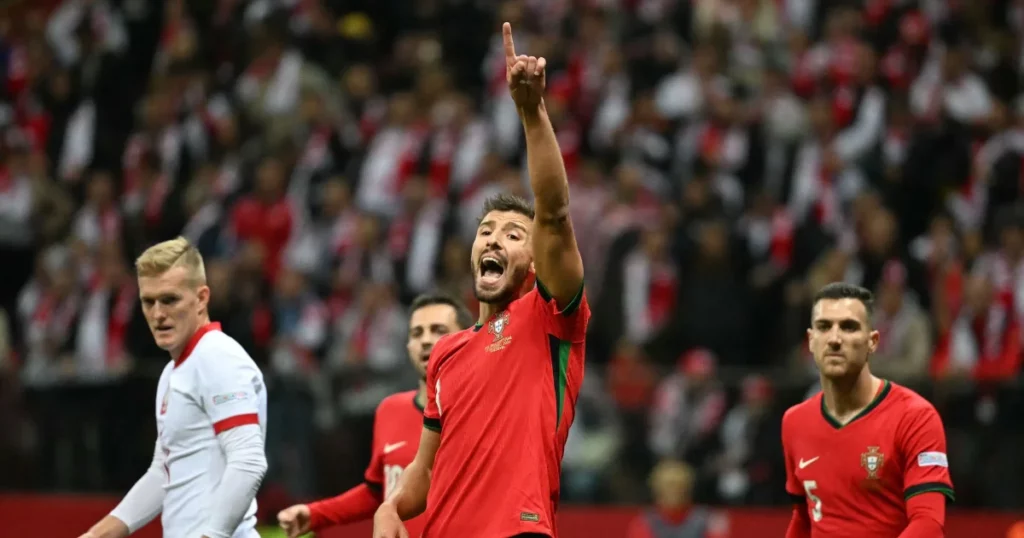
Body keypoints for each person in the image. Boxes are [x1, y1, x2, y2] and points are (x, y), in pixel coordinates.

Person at [373, 21, 590, 538]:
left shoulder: (550, 317)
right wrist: (388, 511)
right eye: (486, 230)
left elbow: (555, 213)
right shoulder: (446, 354)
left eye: (514, 234)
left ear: (536, 262)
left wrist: (532, 112)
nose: (493, 239)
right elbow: (423, 474)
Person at [78, 237, 268, 538]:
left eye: (169, 299)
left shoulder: (218, 357)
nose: (157, 314)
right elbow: (163, 471)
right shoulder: (173, 371)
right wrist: (98, 534)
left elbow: (248, 462)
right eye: (148, 301)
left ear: (202, 298)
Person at [275, 293, 473, 538]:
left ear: (467, 339)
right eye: (417, 333)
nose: (426, 340)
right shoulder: (389, 410)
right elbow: (376, 492)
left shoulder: (483, 411)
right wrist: (315, 514)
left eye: (438, 330)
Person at [782, 282, 954, 538]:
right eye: (824, 327)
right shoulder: (794, 422)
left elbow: (928, 523)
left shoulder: (916, 417)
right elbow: (804, 518)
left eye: (849, 327)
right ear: (811, 341)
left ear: (872, 342)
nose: (835, 339)